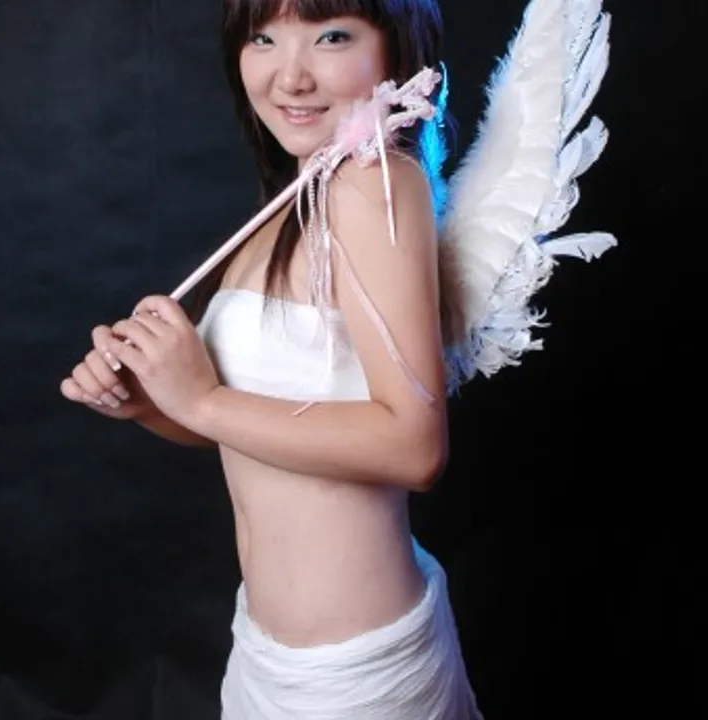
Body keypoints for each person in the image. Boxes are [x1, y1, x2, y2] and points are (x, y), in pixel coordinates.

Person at [60, 0, 483, 717]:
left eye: (331, 36)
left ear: (396, 47)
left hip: (353, 679)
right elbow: (262, 434)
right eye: (263, 38)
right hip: (263, 654)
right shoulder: (296, 198)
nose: (290, 77)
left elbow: (416, 447)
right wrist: (152, 402)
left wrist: (201, 399)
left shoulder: (371, 182)